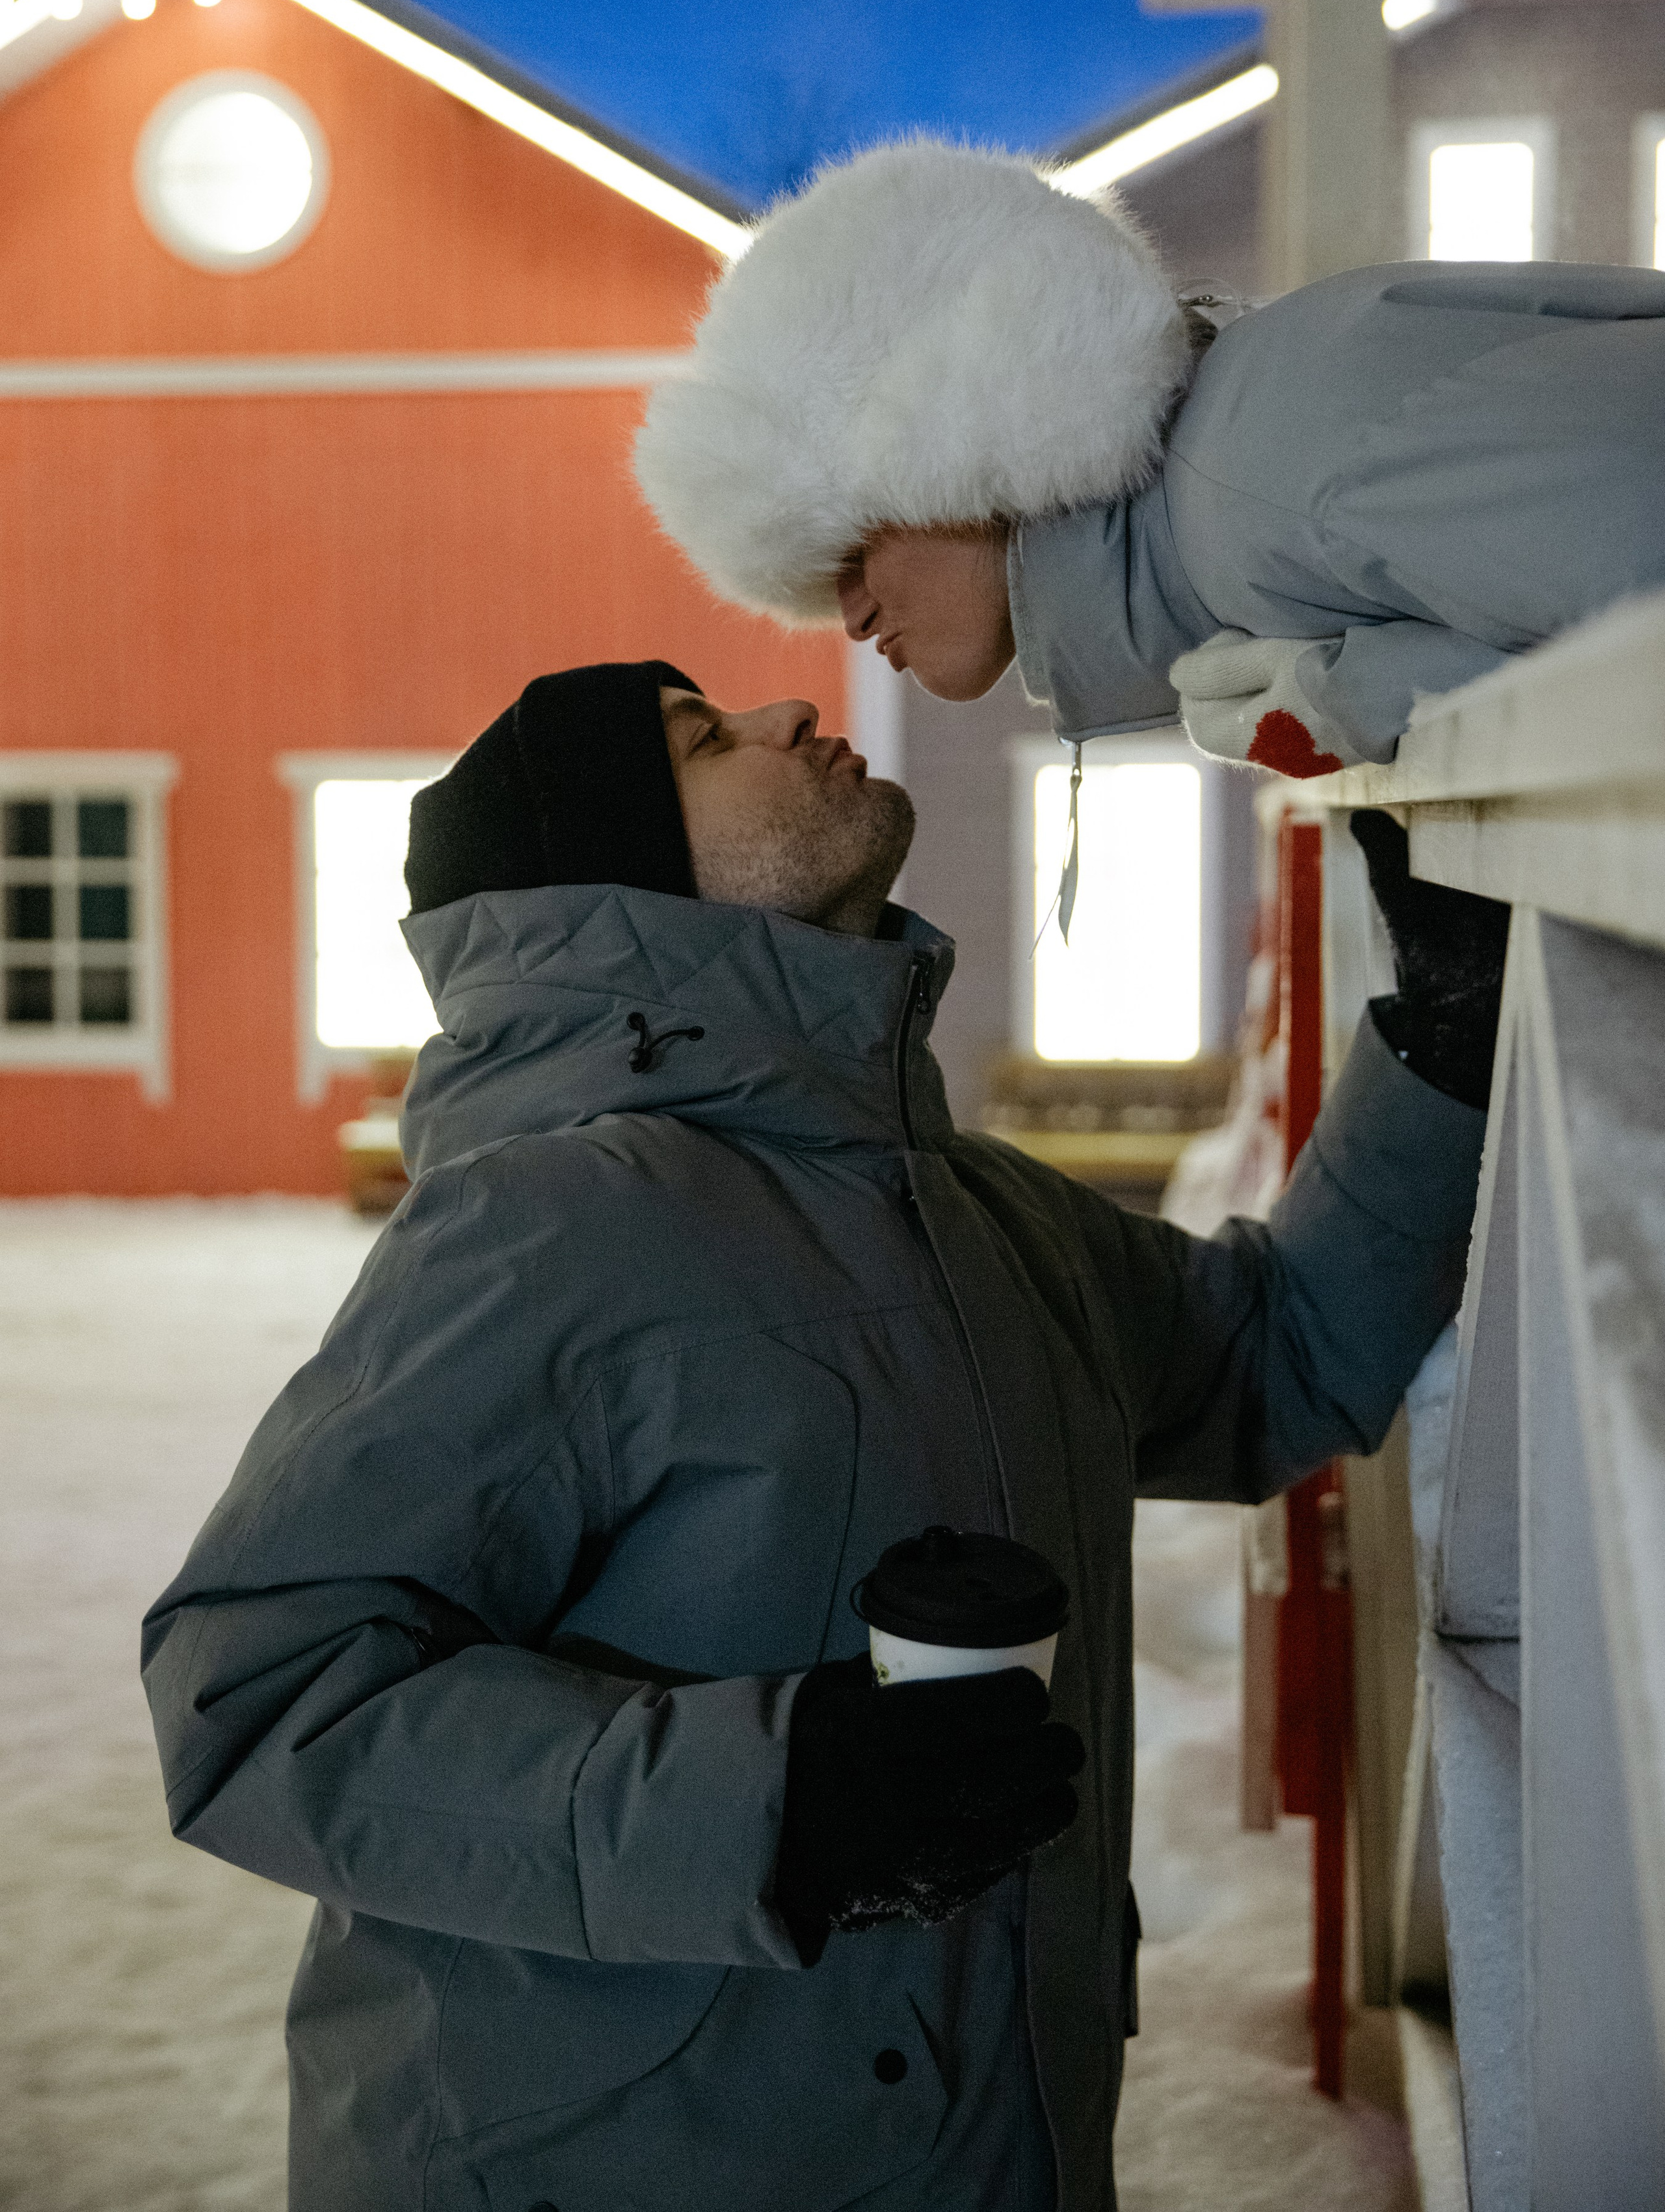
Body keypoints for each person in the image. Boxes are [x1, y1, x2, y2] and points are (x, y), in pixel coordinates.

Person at [143, 658, 1497, 2212]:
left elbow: (1269, 1364)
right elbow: (259, 1693)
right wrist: (771, 1802)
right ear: (623, 878)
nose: (789, 714)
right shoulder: (550, 1224)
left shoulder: (968, 1211)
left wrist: (1442, 1043)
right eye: (705, 741)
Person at [633, 139, 1665, 775]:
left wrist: (1371, 701)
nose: (851, 615)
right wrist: (1382, 685)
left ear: (965, 421)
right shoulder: (1233, 498)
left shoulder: (1266, 462)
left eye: (849, 545)